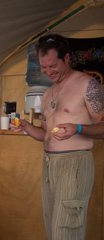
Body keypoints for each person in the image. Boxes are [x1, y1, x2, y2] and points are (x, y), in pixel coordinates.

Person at [10, 33, 104, 240]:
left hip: (75, 163)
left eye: (53, 66)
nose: (48, 72)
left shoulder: (87, 85)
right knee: (52, 226)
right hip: (49, 164)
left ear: (67, 59)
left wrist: (78, 128)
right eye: (44, 67)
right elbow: (45, 135)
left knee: (67, 229)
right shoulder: (47, 93)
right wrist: (26, 126)